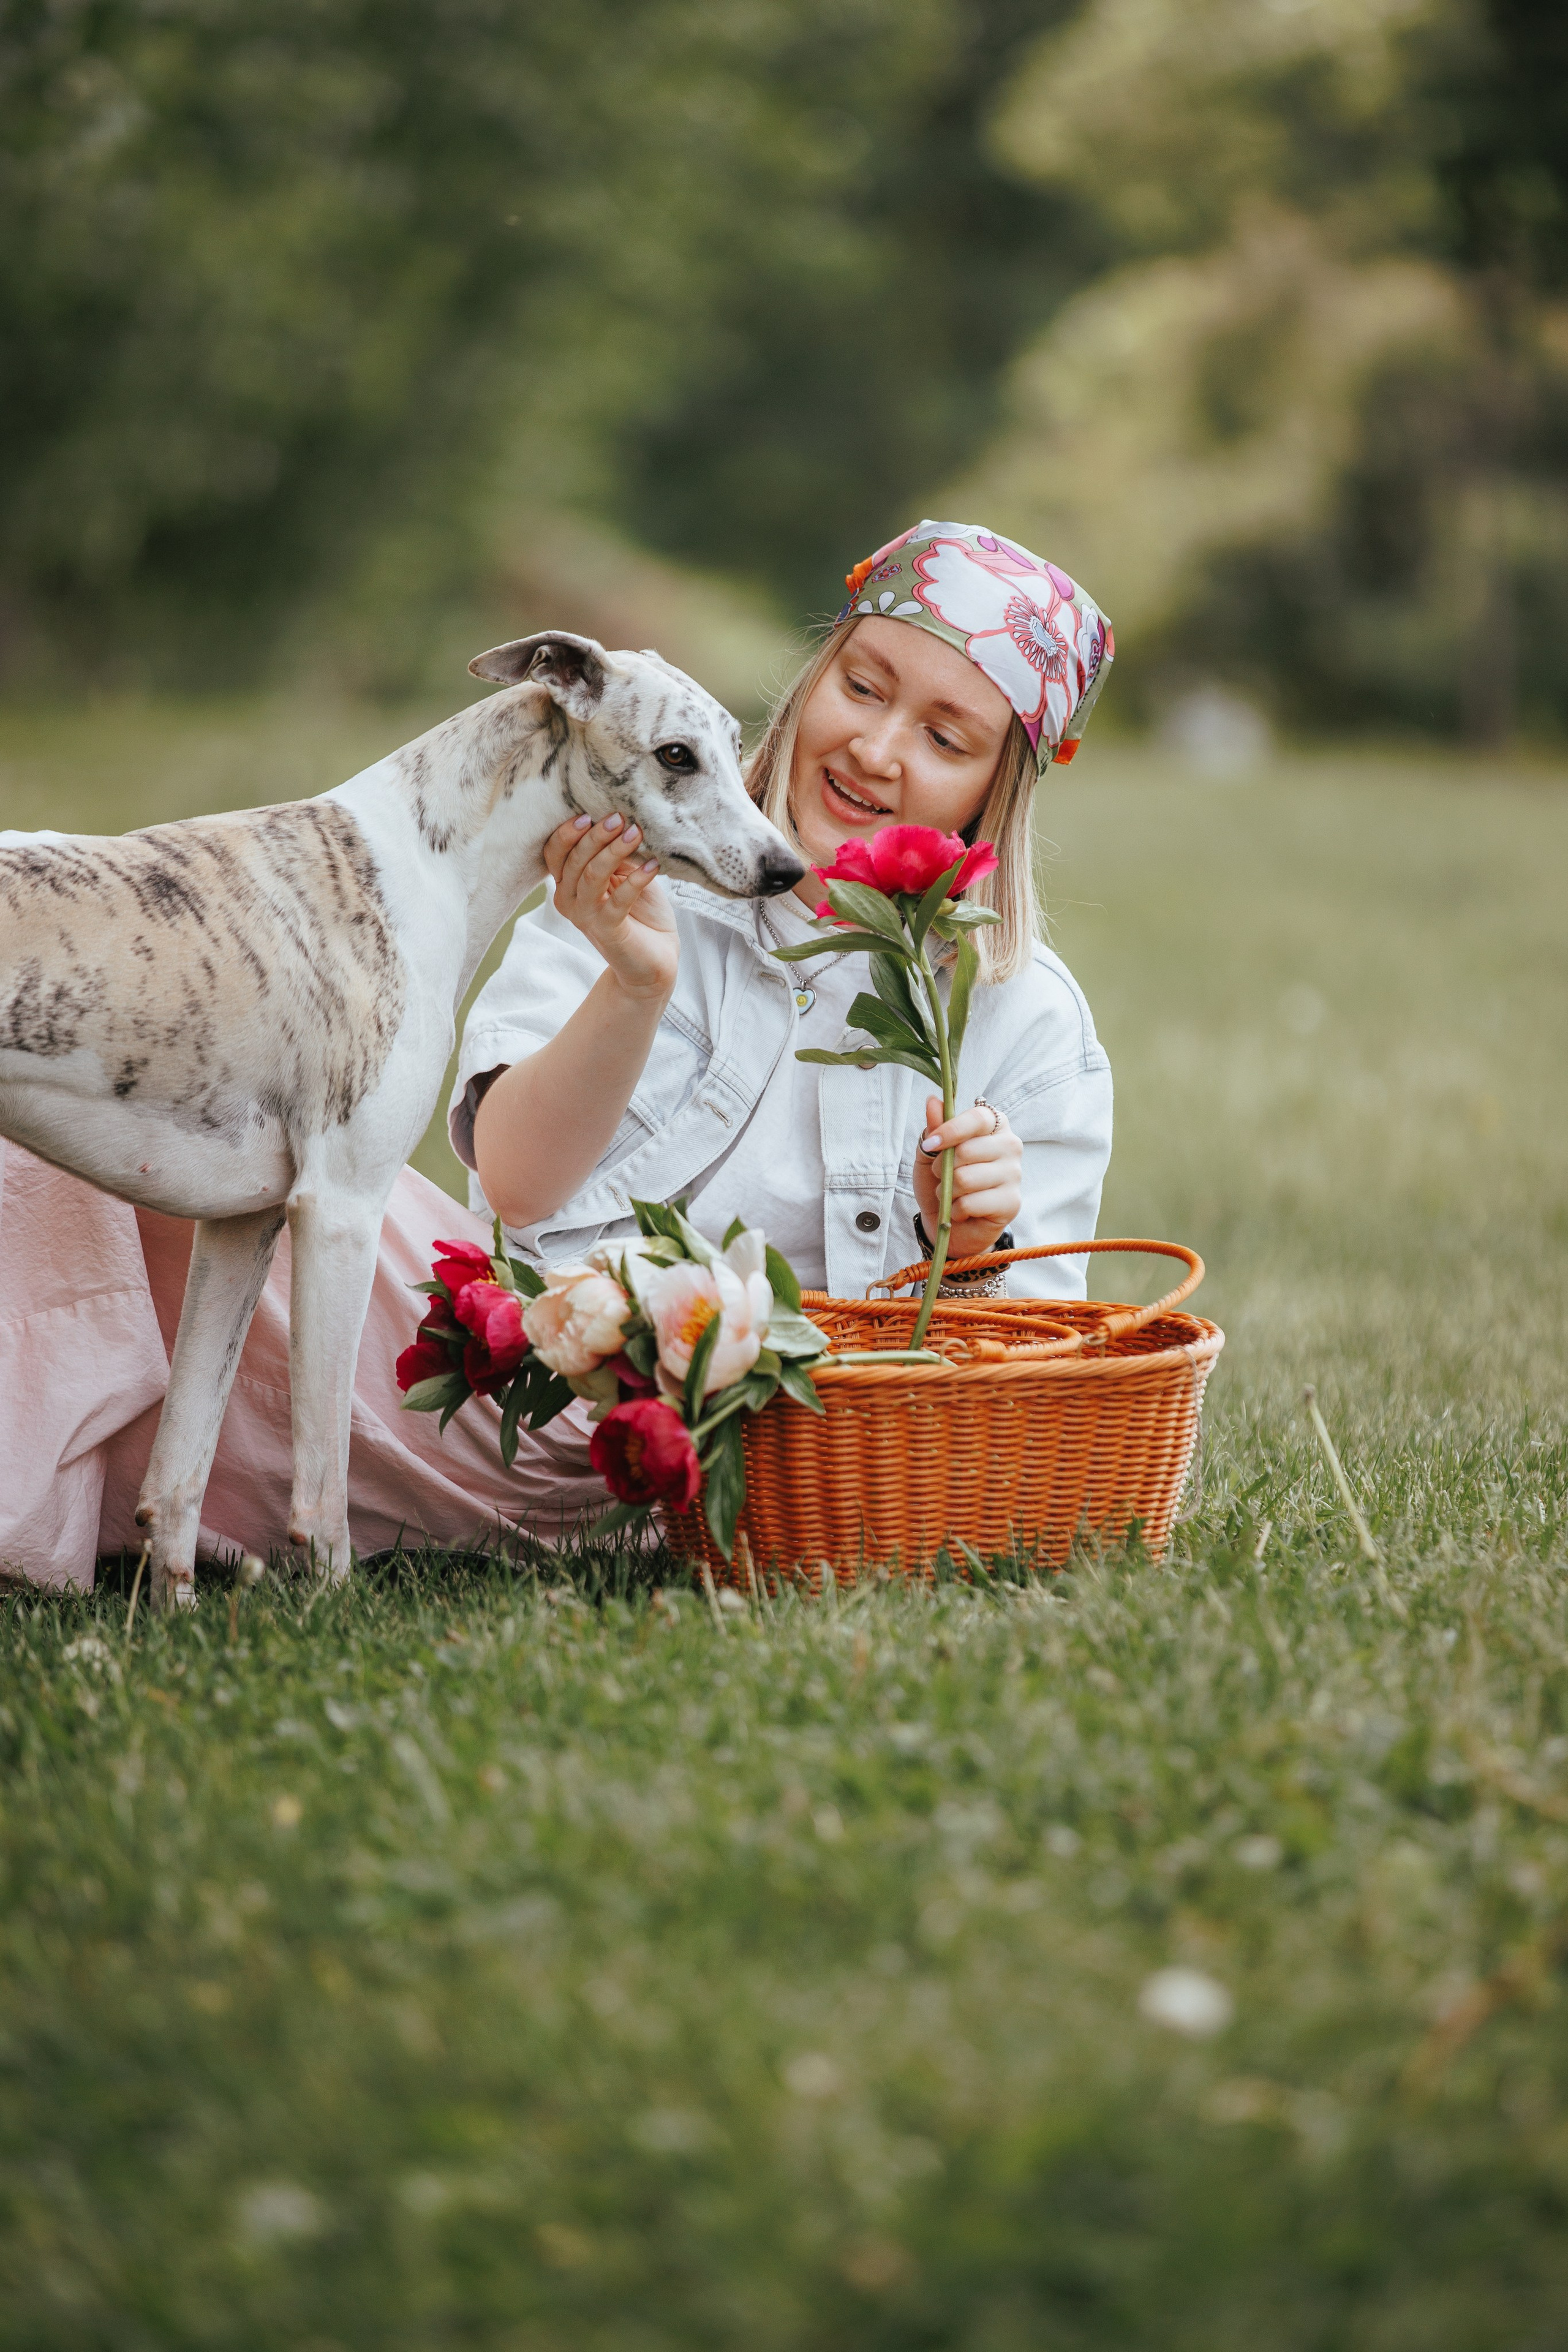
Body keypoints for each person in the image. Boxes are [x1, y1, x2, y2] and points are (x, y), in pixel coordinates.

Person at [0, 521, 1114, 1589]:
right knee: (117, 1099)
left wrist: (972, 1244)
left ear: (994, 790)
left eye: (944, 736)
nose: (875, 747)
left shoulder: (1024, 1023)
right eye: (862, 686)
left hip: (719, 1464)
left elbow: (1023, 1384)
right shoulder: (619, 873)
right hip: (479, 1389)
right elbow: (516, 1184)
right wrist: (637, 985)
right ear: (812, 676)